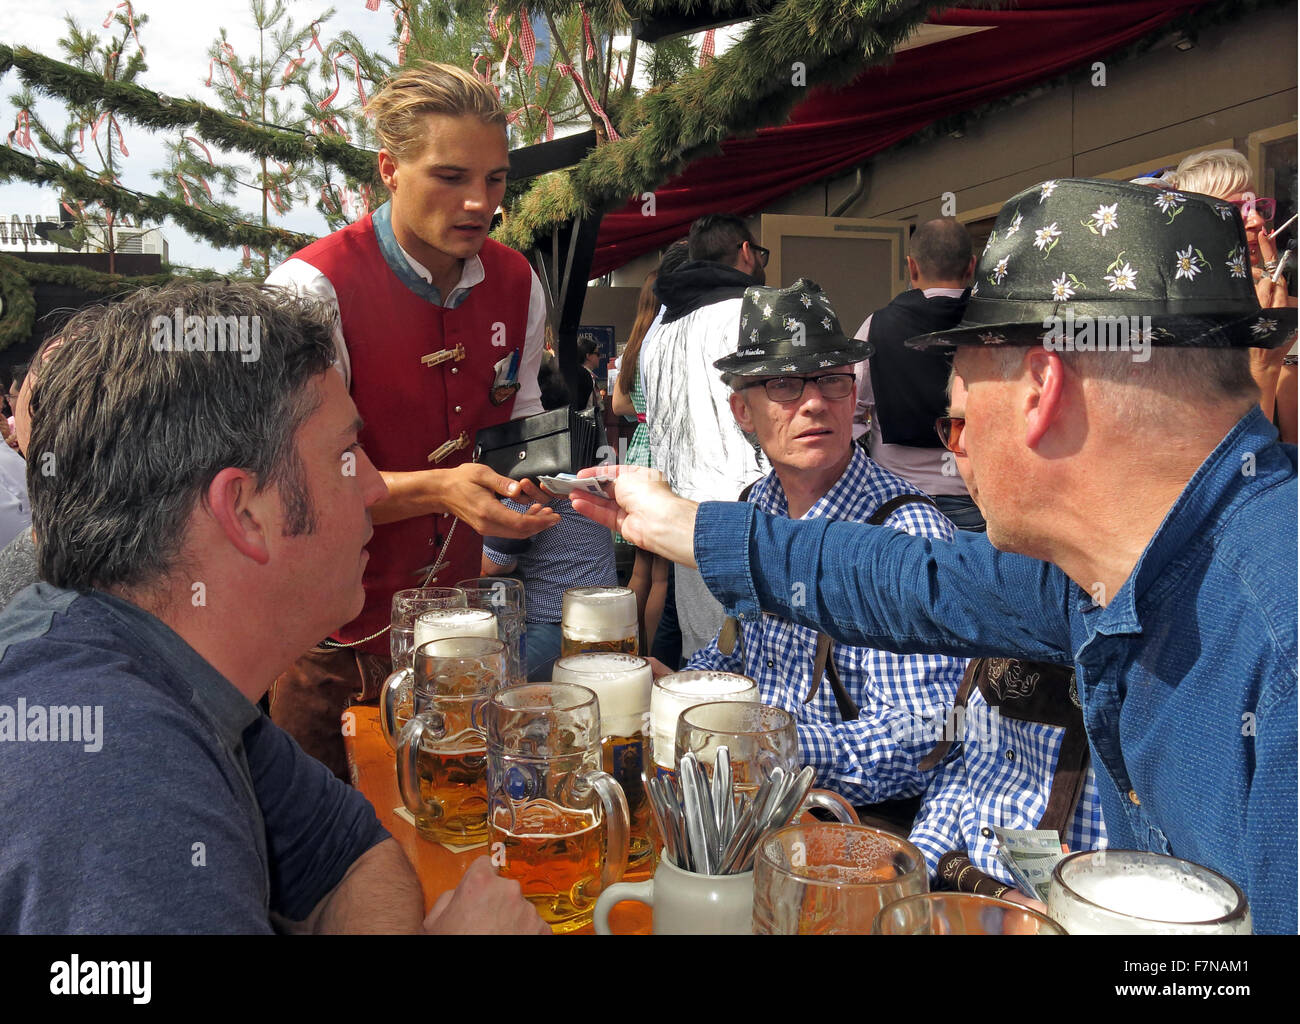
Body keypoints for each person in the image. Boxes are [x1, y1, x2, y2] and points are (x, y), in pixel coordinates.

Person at [572, 178, 1297, 934]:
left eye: (957, 406)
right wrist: (688, 525)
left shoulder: (1281, 643)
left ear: (1039, 390)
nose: (955, 447)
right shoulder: (1107, 567)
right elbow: (907, 582)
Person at [0, 281, 548, 934]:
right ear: (244, 513)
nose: (375, 486)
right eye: (347, 455)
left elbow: (352, 856)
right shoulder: (111, 773)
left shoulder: (183, 680)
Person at [264, 62, 559, 780]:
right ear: (389, 170)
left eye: (494, 180)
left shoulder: (519, 280)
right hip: (327, 642)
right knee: (324, 871)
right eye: (451, 176)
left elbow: (520, 416)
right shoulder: (311, 289)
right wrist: (440, 489)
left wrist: (537, 487)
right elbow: (294, 479)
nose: (478, 203)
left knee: (449, 844)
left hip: (456, 635)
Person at [687, 278, 966, 818]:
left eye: (833, 381)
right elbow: (741, 655)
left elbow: (922, 738)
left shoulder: (905, 531)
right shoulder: (756, 504)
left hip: (848, 829)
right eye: (786, 385)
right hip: (755, 802)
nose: (815, 402)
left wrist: (767, 747)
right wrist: (679, 684)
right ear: (742, 411)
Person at [908, 373, 1106, 906]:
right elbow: (963, 763)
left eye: (975, 423)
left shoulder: (1139, 599)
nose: (960, 449)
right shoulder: (993, 561)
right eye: (953, 425)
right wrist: (909, 870)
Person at [639, 213, 770, 658]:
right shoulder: (752, 314)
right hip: (751, 519)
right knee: (764, 665)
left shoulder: (657, 333)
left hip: (685, 518)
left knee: (705, 658)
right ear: (747, 253)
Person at [481, 360, 618, 681]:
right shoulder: (586, 461)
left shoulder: (534, 481)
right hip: (606, 619)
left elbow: (492, 567)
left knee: (486, 679)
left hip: (554, 627)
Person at [852, 218, 981, 531]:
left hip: (898, 499)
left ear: (911, 267)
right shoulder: (995, 327)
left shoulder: (877, 326)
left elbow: (849, 410)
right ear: (971, 267)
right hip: (977, 497)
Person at [1170, 148, 1296, 437]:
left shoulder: (1287, 311)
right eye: (1238, 209)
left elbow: (1291, 450)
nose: (1257, 221)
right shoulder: (1177, 331)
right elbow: (1243, 465)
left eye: (1258, 207)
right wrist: (1264, 361)